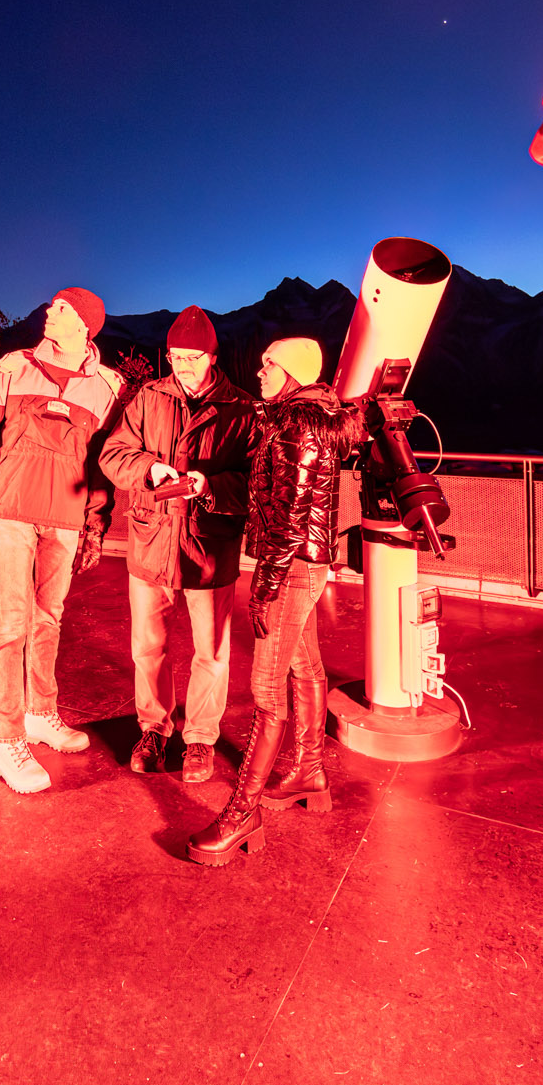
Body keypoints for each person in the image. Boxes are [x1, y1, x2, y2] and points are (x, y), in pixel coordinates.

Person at [188, 336, 362, 866]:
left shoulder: (298, 424)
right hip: (301, 562)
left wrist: (263, 588)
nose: (259, 370)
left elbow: (288, 520)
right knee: (304, 661)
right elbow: (278, 499)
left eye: (269, 364)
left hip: (290, 565)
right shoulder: (299, 417)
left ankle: (243, 811)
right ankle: (309, 771)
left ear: (292, 372)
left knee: (266, 683)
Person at [0, 286, 124, 795]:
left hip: (66, 519)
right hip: (13, 511)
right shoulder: (12, 368)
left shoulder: (108, 386)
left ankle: (40, 714)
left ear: (86, 326)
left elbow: (102, 465)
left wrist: (94, 522)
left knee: (49, 619)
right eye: (52, 307)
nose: (50, 313)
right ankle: (7, 742)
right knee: (12, 624)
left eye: (63, 309)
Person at [98, 305, 259, 784]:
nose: (181, 365)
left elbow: (255, 481)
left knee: (211, 652)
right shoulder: (148, 397)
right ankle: (154, 728)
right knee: (149, 648)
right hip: (152, 543)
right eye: (174, 356)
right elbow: (113, 453)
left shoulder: (242, 410)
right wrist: (149, 468)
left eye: (191, 357)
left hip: (209, 549)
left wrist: (208, 486)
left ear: (212, 357)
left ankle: (201, 739)